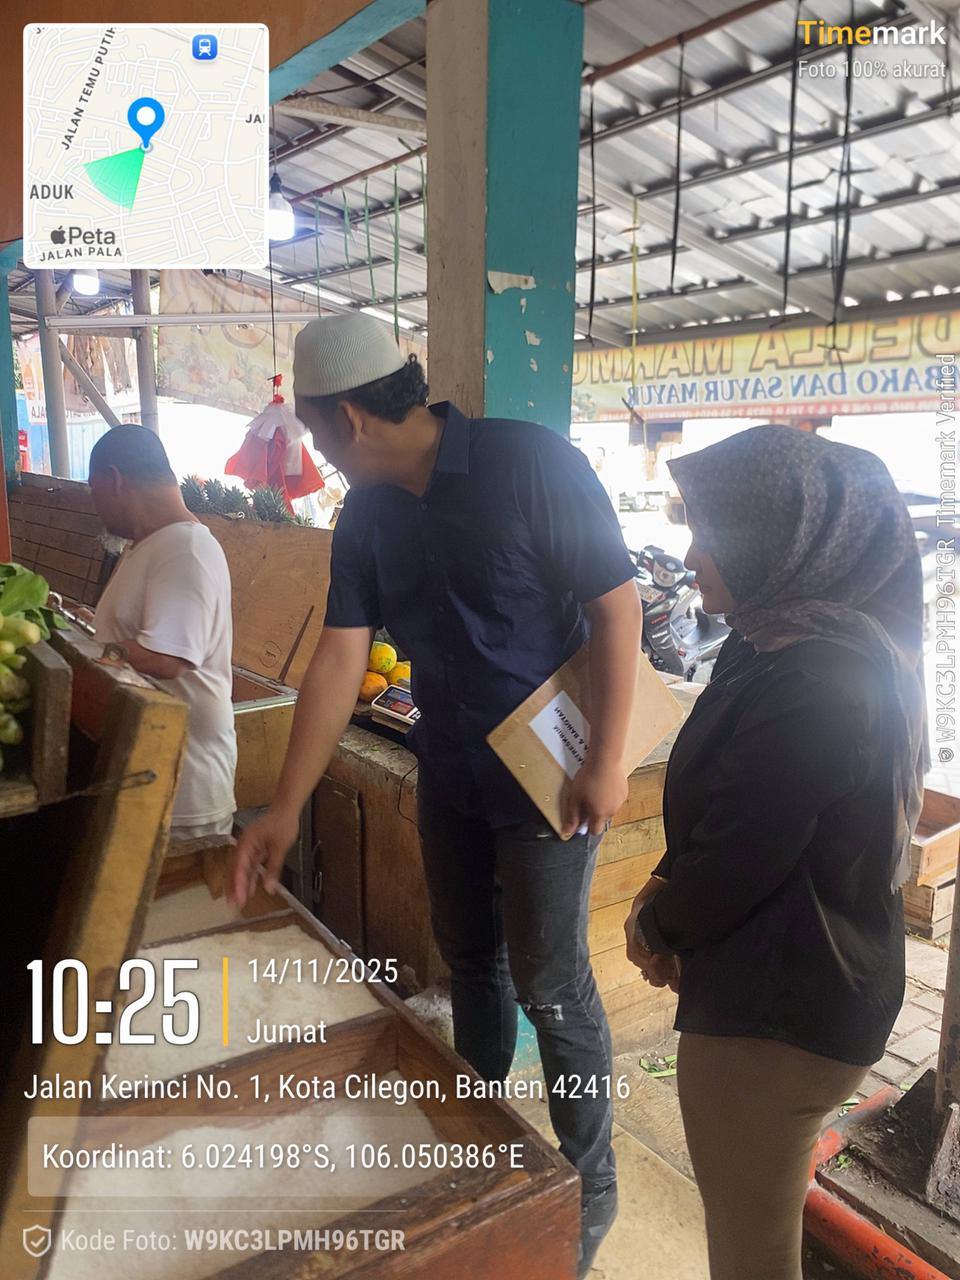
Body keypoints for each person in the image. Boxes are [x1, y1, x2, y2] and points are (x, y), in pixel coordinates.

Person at [229, 313, 642, 1276]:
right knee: (472, 966)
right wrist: (284, 808)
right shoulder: (367, 517)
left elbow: (614, 604)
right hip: (449, 770)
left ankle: (590, 1186)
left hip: (549, 778)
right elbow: (341, 657)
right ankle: (478, 1135)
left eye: (314, 434)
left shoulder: (527, 464)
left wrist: (608, 759)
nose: (316, 454)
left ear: (346, 420)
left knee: (551, 984)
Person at [624, 425, 926, 1280]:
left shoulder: (823, 677)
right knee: (751, 1233)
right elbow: (729, 808)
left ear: (785, 543)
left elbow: (741, 855)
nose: (691, 556)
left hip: (781, 1015)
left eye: (713, 535)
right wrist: (665, 886)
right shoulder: (768, 639)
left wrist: (659, 924)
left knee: (750, 1256)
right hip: (778, 985)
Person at [88, 425, 236, 841]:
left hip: (181, 794)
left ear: (115, 479)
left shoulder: (185, 549)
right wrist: (91, 625)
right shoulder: (150, 545)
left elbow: (168, 658)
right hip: (149, 778)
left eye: (95, 491)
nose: (96, 507)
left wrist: (90, 649)